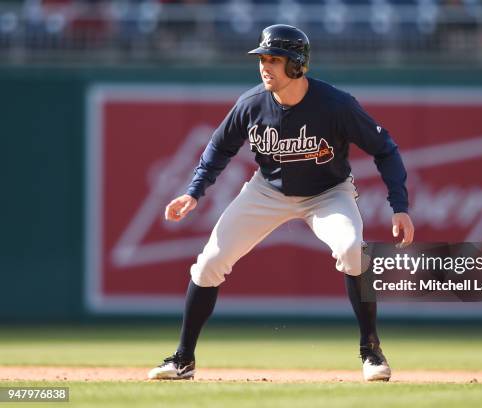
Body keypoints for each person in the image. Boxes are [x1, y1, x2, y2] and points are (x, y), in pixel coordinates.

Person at [147, 24, 414, 382]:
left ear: (297, 65)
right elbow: (219, 148)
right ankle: (183, 359)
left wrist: (399, 205)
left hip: (327, 193)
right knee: (209, 262)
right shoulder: (252, 103)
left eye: (275, 59)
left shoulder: (335, 105)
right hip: (266, 191)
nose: (265, 66)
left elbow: (385, 148)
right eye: (262, 59)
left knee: (353, 250)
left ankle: (370, 351)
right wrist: (194, 191)